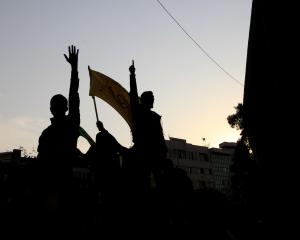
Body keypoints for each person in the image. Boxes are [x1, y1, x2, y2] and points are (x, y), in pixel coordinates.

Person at [36, 45, 80, 225]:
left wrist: (74, 70)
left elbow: (73, 95)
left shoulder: (66, 126)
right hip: (52, 185)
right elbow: (74, 96)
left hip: (58, 184)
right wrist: (74, 69)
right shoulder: (49, 132)